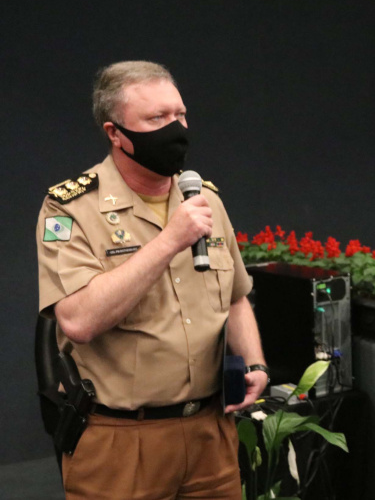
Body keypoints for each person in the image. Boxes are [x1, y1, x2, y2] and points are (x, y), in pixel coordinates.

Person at [36, 61, 268, 499]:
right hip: (122, 441)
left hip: (210, 433)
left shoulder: (204, 198)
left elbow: (236, 297)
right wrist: (169, 241)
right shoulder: (68, 209)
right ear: (115, 132)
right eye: (156, 119)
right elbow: (79, 322)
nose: (175, 128)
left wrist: (253, 363)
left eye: (179, 115)